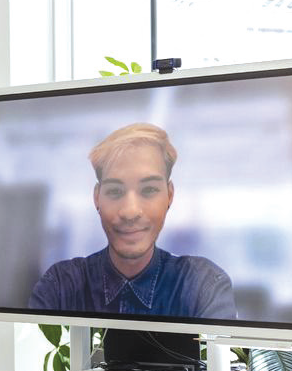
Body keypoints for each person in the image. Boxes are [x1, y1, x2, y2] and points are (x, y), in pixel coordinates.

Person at [29, 122, 236, 318]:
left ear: (170, 195)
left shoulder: (203, 285)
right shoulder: (59, 286)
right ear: (97, 197)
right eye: (115, 191)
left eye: (149, 189)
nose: (130, 211)